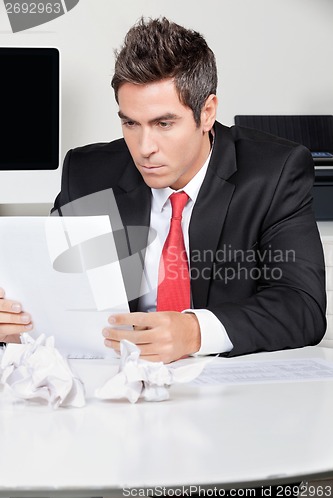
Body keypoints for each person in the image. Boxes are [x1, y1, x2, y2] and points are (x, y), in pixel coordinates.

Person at [0, 17, 326, 365]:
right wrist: (16, 321)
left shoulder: (274, 172)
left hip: (224, 388)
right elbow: (52, 292)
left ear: (207, 113)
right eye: (130, 123)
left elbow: (301, 306)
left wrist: (194, 331)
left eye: (164, 123)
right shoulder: (86, 174)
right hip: (113, 384)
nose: (144, 147)